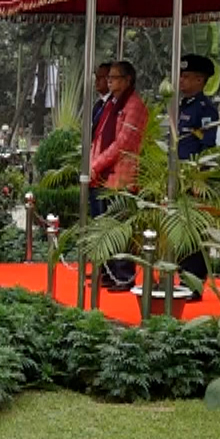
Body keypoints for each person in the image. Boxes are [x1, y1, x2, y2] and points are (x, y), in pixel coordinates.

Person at [88, 60, 147, 291]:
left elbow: (123, 143)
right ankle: (109, 272)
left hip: (121, 175)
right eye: (108, 77)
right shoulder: (110, 103)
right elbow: (100, 136)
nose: (109, 81)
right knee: (103, 226)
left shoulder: (134, 105)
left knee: (119, 228)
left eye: (114, 77)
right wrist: (93, 164)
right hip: (102, 173)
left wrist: (97, 164)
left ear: (127, 80)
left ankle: (124, 275)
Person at [174, 55, 220, 283]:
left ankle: (193, 280)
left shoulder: (205, 110)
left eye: (187, 77)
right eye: (181, 76)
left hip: (193, 177)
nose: (181, 81)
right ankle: (182, 275)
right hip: (177, 175)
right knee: (179, 228)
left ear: (200, 80)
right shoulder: (180, 106)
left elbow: (207, 147)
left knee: (194, 229)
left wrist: (198, 180)